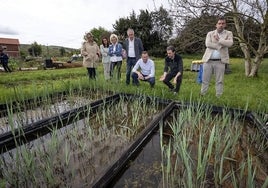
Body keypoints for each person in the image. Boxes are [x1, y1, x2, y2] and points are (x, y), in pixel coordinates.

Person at [200, 17, 233, 97]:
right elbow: (208, 44)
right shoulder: (210, 33)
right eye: (219, 23)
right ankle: (203, 95)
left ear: (225, 25)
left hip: (220, 61)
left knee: (219, 81)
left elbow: (230, 43)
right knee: (205, 80)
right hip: (208, 60)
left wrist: (219, 40)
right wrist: (220, 46)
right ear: (216, 25)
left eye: (223, 23)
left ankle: (218, 96)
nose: (221, 25)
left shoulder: (228, 33)